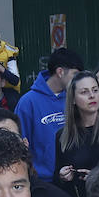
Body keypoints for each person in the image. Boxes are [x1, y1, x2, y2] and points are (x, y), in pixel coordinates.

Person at [17, 47, 85, 181]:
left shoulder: (75, 99)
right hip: (41, 181)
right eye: (75, 74)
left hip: (72, 178)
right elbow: (19, 144)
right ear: (60, 72)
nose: (78, 80)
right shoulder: (28, 102)